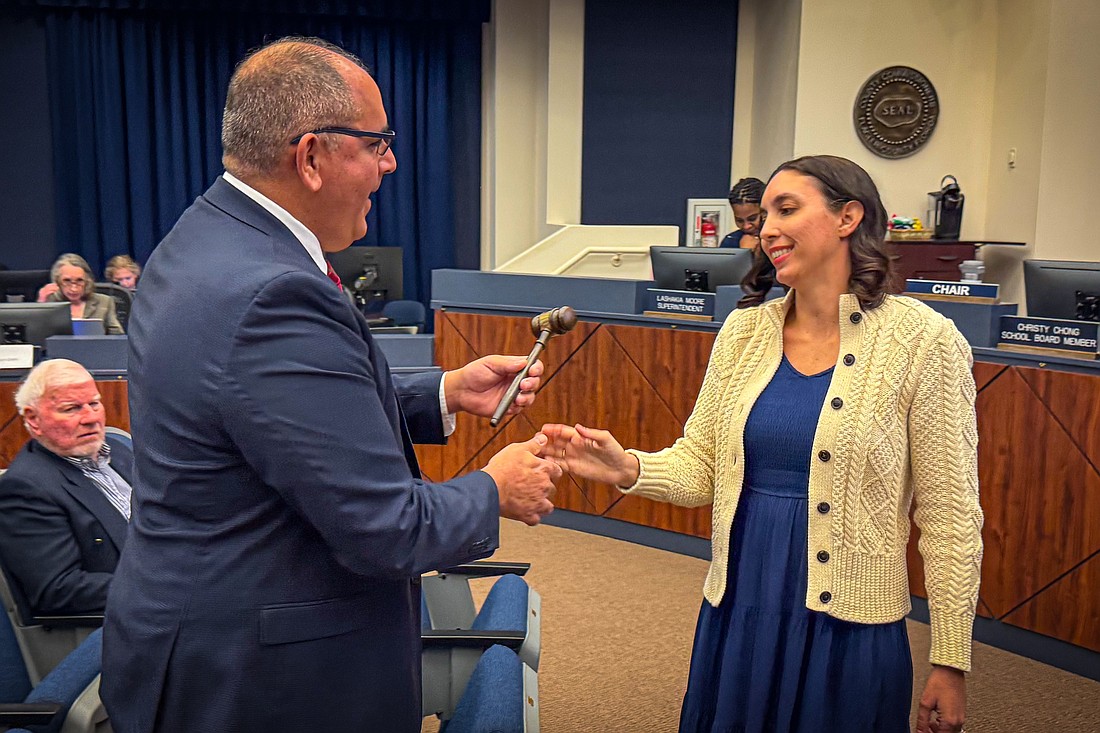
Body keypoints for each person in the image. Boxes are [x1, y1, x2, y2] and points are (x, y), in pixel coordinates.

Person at [101, 37, 558, 733]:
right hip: (263, 680)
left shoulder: (209, 237)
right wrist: (497, 489)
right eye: (377, 143)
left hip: (200, 632)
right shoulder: (272, 290)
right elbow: (387, 530)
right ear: (311, 155)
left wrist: (441, 392)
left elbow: (266, 414)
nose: (391, 162)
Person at [542, 155, 982, 733]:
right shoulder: (744, 331)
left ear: (848, 217)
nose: (766, 227)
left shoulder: (924, 340)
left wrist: (951, 659)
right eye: (765, 214)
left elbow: (951, 515)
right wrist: (627, 467)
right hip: (743, 606)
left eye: (787, 209)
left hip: (851, 623)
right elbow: (702, 467)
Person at [0, 359, 132, 619]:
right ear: (33, 420)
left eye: (94, 404)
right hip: (120, 624)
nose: (91, 418)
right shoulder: (26, 489)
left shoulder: (119, 453)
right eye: (72, 409)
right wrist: (160, 590)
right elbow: (58, 589)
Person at [37, 253, 125, 334]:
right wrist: (41, 303)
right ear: (57, 281)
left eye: (79, 280)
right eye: (67, 281)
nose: (74, 288)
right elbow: (37, 337)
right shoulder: (50, 302)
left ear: (87, 281)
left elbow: (118, 337)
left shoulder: (104, 302)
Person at [719, 177, 765, 249]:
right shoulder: (730, 242)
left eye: (752, 219)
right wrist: (744, 252)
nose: (746, 226)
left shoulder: (780, 239)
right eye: (739, 220)